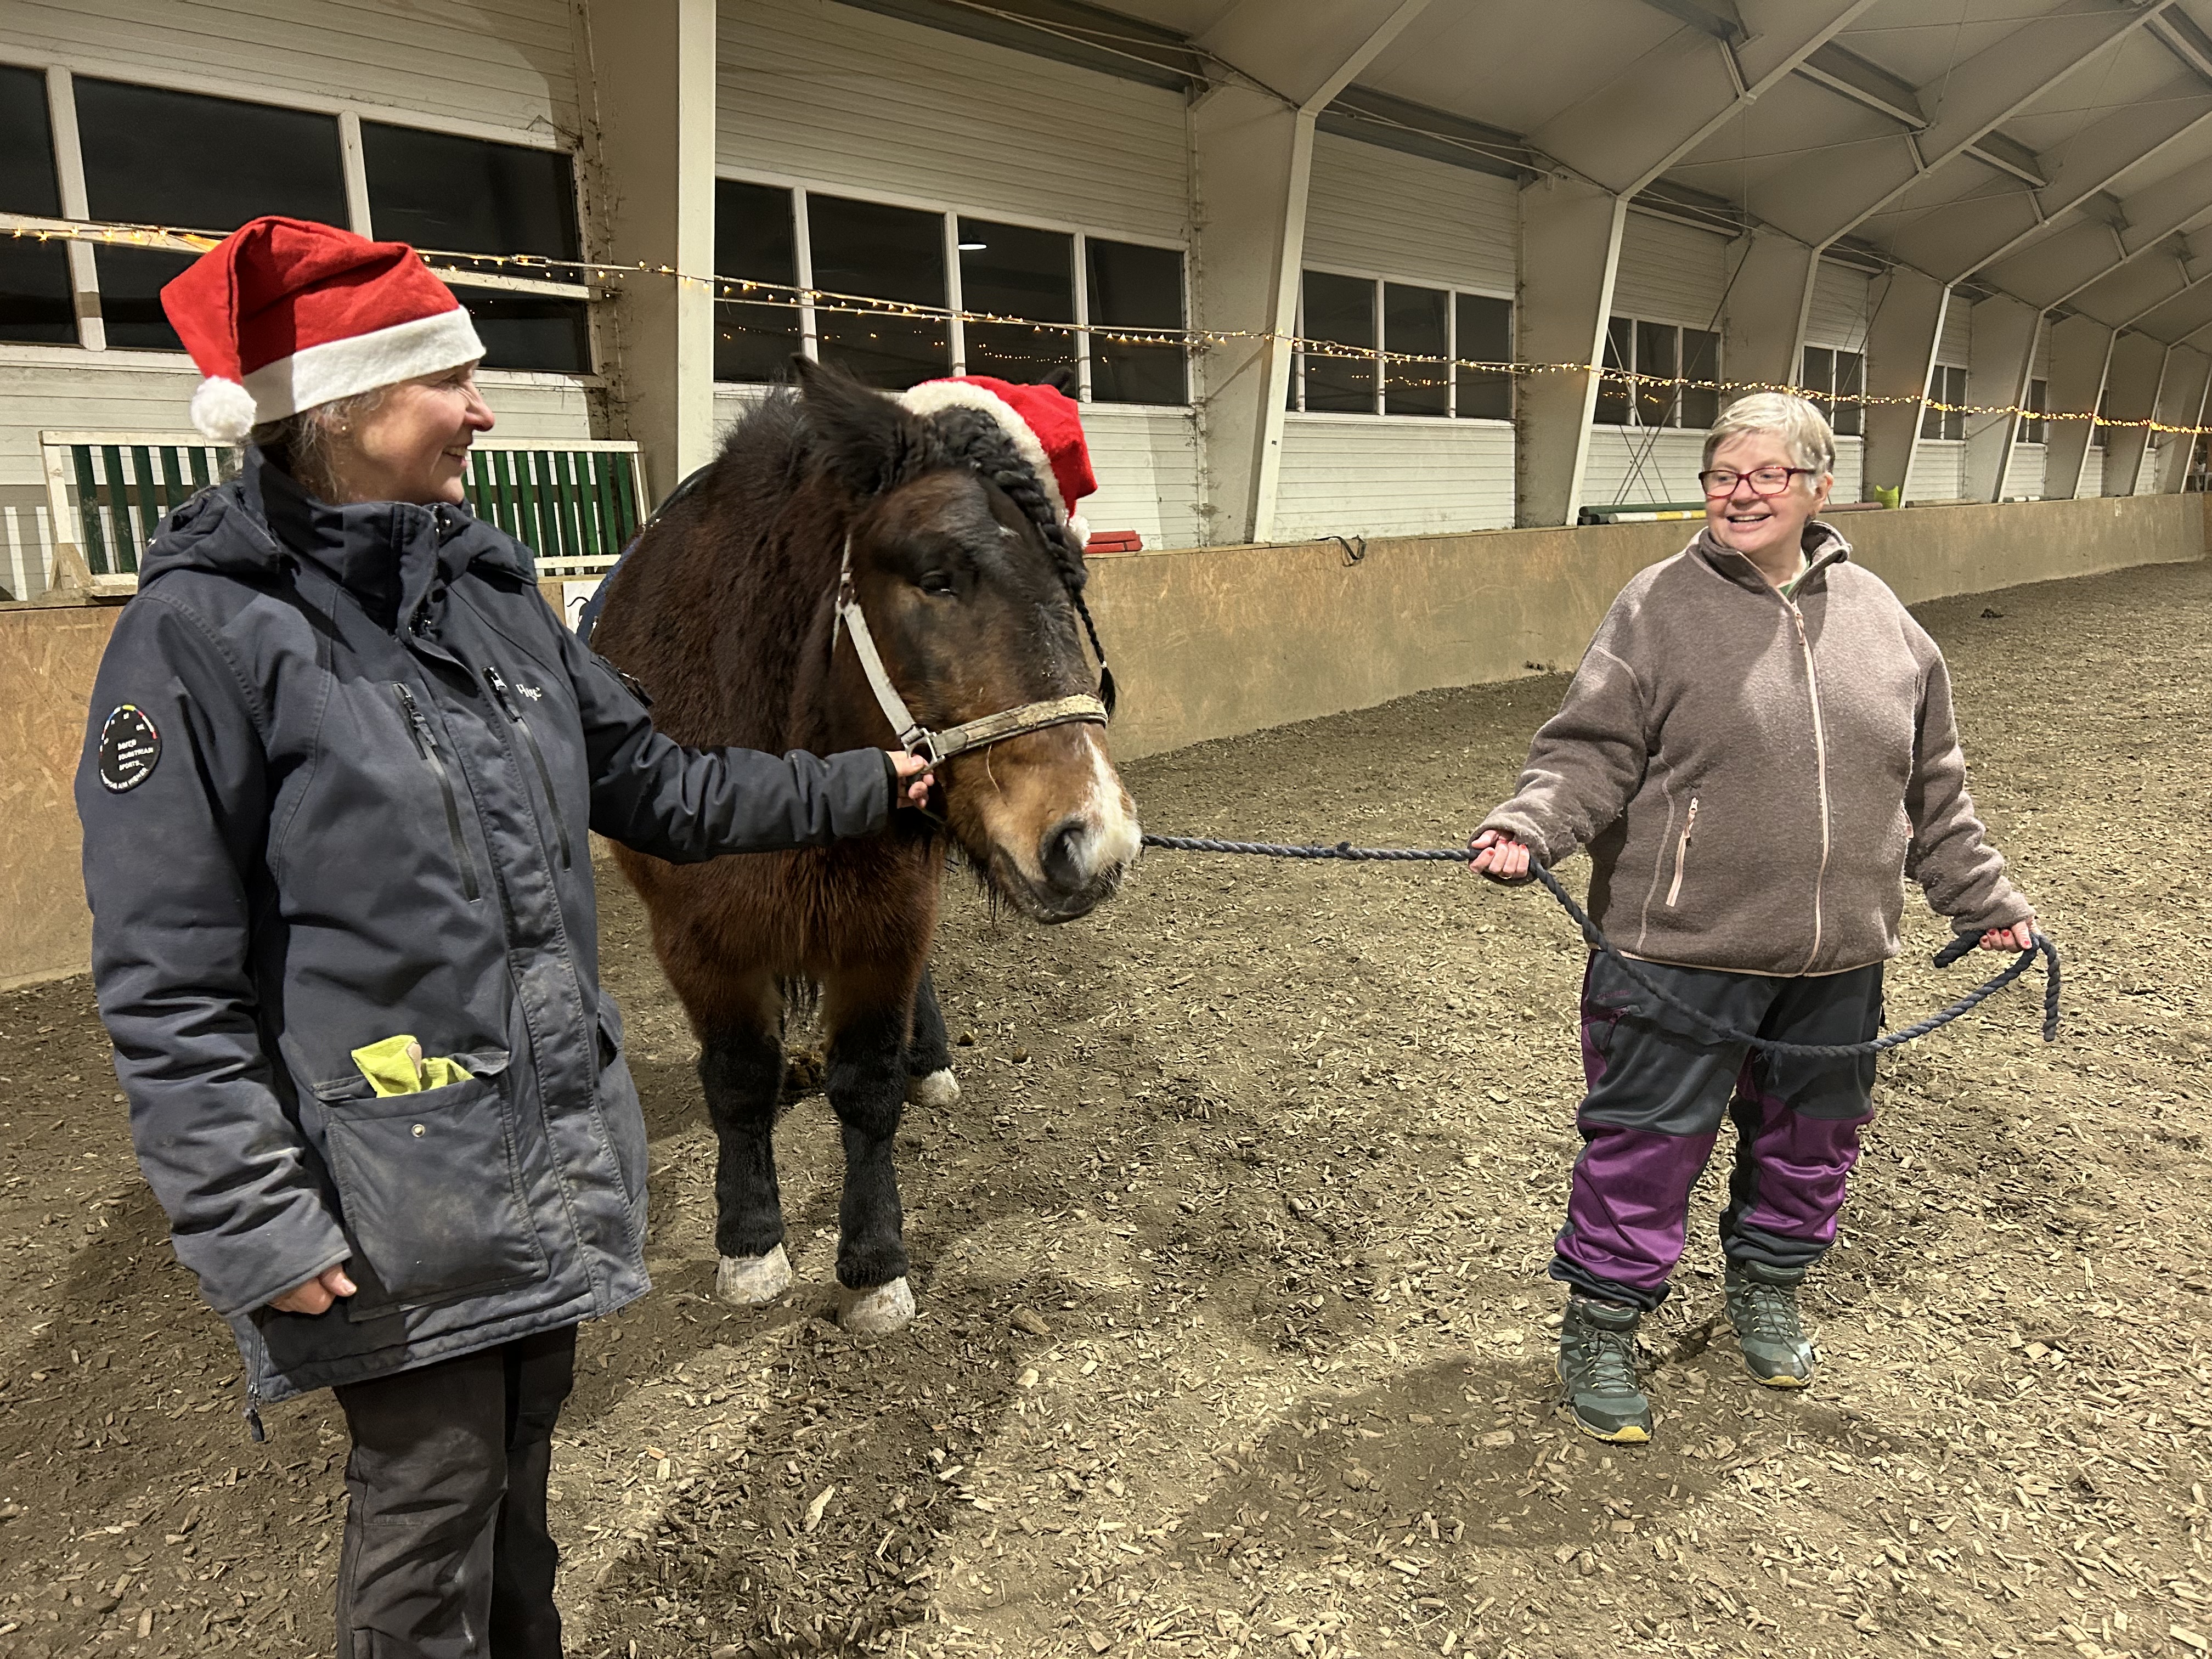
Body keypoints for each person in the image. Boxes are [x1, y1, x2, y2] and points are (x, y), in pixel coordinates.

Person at [74, 216, 932, 1657]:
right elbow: (166, 981)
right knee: (428, 1530)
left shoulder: (489, 598)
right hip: (384, 1195)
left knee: (519, 1505)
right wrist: (248, 1215)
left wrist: (870, 784)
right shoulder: (203, 642)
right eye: (450, 381)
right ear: (342, 409)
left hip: (536, 1152)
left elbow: (659, 787)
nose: (483, 411)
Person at [1469, 392, 2037, 1446]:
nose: (1741, 494)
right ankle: (1604, 1325)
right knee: (1647, 1145)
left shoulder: (1883, 620)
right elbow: (1590, 750)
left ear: (1819, 487)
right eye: (1724, 475)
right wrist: (1531, 825)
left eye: (1768, 474)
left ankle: (1768, 1289)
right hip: (1677, 950)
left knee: (1812, 1142)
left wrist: (1983, 897)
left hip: (1839, 958)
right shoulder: (1657, 606)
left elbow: (1933, 789)